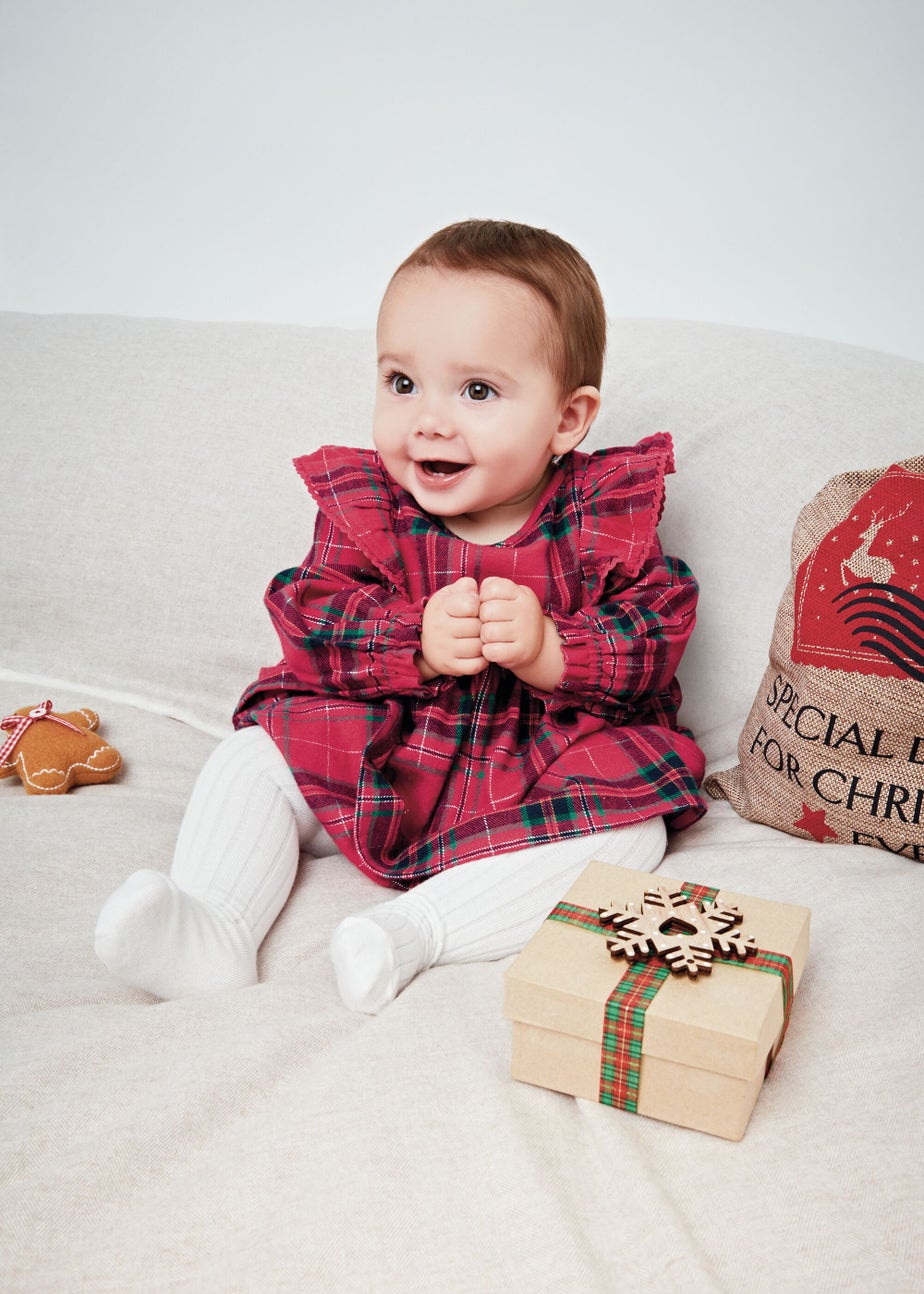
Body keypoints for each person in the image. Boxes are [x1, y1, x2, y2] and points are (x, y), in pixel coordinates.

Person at [95, 219, 706, 1013]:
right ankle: (215, 927)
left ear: (567, 418)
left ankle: (412, 933)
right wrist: (409, 643)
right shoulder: (370, 510)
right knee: (253, 755)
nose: (428, 421)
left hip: (539, 765)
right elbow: (311, 620)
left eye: (477, 391)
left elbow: (656, 629)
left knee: (634, 831)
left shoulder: (600, 514)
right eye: (402, 382)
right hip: (384, 749)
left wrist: (552, 649)